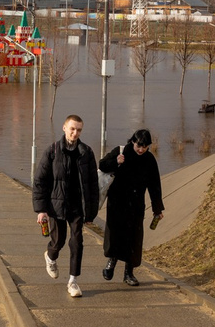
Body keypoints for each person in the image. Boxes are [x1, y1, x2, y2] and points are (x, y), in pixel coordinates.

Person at [34, 115, 101, 298]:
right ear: (64, 128)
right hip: (56, 206)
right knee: (58, 241)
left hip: (77, 207)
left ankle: (73, 281)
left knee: (77, 242)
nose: (75, 133)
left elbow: (93, 185)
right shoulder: (53, 151)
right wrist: (41, 210)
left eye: (79, 130)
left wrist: (91, 212)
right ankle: (50, 257)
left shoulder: (86, 152)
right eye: (72, 128)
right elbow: (40, 181)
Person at [97, 129, 166, 287]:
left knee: (134, 238)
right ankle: (111, 262)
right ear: (132, 142)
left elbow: (155, 185)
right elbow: (102, 165)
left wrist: (157, 209)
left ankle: (129, 273)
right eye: (138, 146)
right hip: (117, 202)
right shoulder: (121, 151)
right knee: (114, 233)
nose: (141, 149)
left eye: (145, 146)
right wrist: (116, 162)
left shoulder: (149, 160)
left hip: (136, 205)